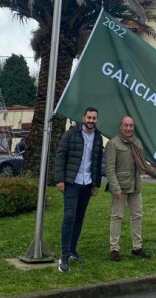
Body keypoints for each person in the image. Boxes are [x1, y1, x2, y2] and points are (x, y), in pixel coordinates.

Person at [104, 115, 156, 261]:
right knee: (116, 217)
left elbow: (143, 165)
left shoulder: (137, 142)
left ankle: (137, 247)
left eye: (131, 126)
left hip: (135, 186)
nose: (128, 128)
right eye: (126, 125)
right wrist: (115, 188)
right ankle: (114, 249)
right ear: (121, 126)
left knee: (137, 216)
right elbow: (109, 169)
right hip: (120, 187)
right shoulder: (113, 143)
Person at [54, 107, 104, 273]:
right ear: (84, 118)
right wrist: (60, 179)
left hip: (87, 184)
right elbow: (60, 155)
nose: (91, 121)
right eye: (89, 117)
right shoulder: (71, 134)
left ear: (97, 120)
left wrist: (96, 184)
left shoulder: (97, 137)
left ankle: (73, 250)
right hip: (72, 183)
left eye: (94, 118)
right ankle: (64, 255)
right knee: (69, 218)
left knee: (79, 218)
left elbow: (97, 161)